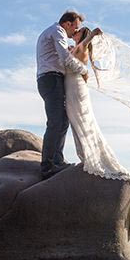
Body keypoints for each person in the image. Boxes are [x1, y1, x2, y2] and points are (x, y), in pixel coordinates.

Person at [65, 26, 130, 239]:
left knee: (83, 123)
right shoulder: (76, 48)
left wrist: (92, 33)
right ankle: (85, 156)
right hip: (73, 88)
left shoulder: (82, 47)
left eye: (77, 32)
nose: (74, 34)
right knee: (77, 123)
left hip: (75, 89)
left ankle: (92, 158)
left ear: (82, 36)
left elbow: (83, 44)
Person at [35, 10, 89, 180]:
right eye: (75, 27)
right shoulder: (57, 31)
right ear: (68, 24)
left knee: (63, 120)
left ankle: (57, 161)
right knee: (56, 121)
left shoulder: (54, 32)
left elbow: (62, 55)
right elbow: (65, 58)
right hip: (51, 79)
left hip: (51, 79)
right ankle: (48, 166)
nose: (75, 31)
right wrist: (83, 70)